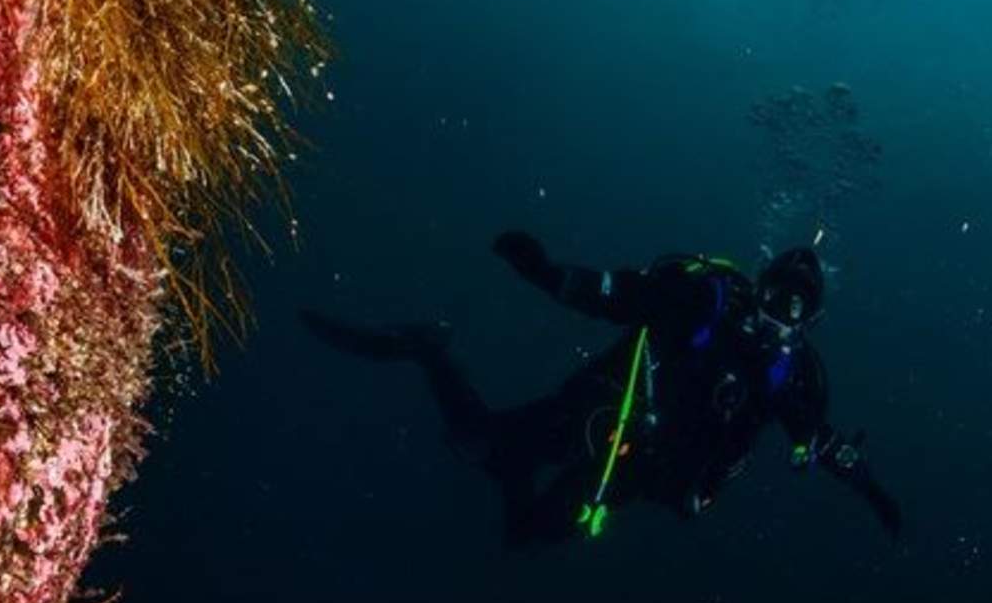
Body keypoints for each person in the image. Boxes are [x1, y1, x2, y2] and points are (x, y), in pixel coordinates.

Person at [301, 232, 902, 546]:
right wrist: (547, 275)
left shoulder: (794, 377)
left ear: (812, 321)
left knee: (527, 531)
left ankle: (508, 468)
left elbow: (817, 439)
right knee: (476, 439)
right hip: (596, 413)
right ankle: (426, 348)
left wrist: (870, 489)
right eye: (774, 297)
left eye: (796, 310)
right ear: (758, 284)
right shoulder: (706, 303)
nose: (778, 316)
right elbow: (621, 295)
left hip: (643, 474)